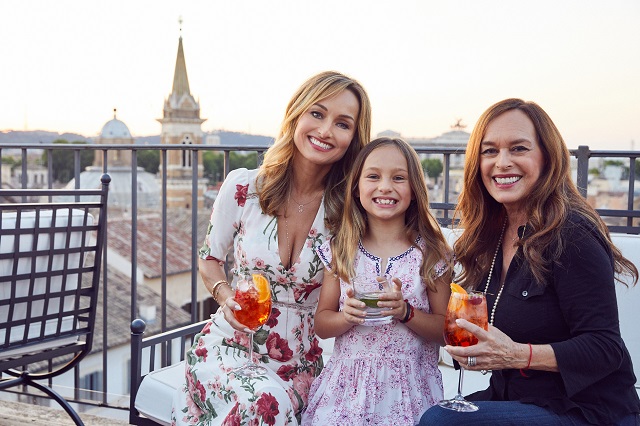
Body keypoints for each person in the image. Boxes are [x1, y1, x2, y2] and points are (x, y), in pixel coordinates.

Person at [419, 98, 640, 425]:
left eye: (519, 148)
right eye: (490, 151)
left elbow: (605, 348)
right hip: (515, 399)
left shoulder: (572, 235)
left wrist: (516, 354)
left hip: (583, 410)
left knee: (441, 421)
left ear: (547, 158)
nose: (502, 162)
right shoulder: (492, 235)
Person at [171, 71, 372, 425]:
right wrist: (224, 295)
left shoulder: (349, 211)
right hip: (231, 347)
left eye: (343, 124)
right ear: (296, 114)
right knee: (265, 405)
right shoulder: (243, 187)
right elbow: (210, 260)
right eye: (317, 113)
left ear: (354, 137)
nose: (325, 130)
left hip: (301, 362)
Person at [301, 137, 453, 425]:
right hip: (347, 392)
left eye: (398, 178)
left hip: (409, 393)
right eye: (373, 176)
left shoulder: (432, 254)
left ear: (414, 191)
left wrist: (406, 312)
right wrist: (347, 317)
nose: (385, 187)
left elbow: (446, 331)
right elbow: (321, 324)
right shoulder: (340, 251)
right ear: (357, 188)